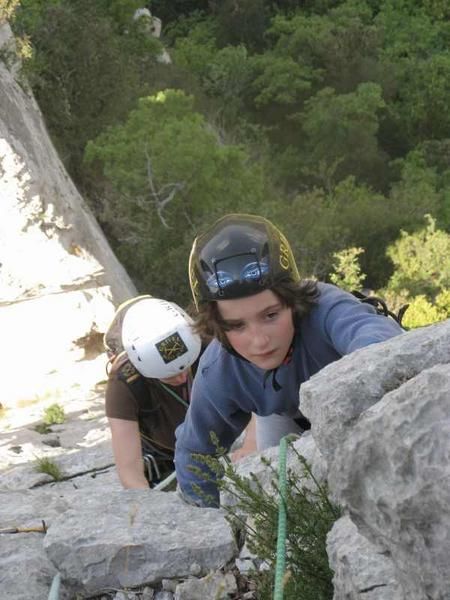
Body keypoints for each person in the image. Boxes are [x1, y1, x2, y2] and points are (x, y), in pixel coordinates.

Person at [174, 213, 404, 507]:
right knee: (289, 497)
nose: (259, 341)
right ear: (217, 326)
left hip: (356, 400)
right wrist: (216, 520)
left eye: (271, 315)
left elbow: (376, 339)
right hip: (282, 414)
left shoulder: (324, 307)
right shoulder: (219, 370)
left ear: (294, 302)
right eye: (237, 326)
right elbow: (194, 454)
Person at [105, 296, 202, 489]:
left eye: (186, 366)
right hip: (166, 456)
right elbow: (129, 470)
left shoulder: (204, 341)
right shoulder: (124, 383)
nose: (182, 377)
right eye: (169, 375)